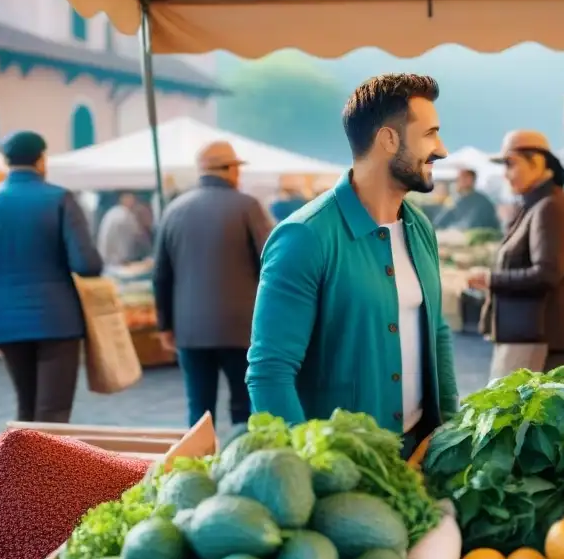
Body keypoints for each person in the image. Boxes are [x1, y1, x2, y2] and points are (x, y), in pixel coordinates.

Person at [246, 73, 459, 456]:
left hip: (420, 454)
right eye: (430, 134)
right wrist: (313, 474)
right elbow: (269, 373)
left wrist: (449, 434)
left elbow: (437, 333)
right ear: (388, 140)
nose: (441, 149)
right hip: (345, 472)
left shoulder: (420, 227)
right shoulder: (304, 238)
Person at [0, 131, 103, 422]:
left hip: (7, 318)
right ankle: (47, 469)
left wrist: (2, 293)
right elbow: (87, 263)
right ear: (42, 159)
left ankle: (24, 468)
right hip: (58, 318)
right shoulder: (60, 199)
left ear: (6, 161)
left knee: (25, 408)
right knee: (53, 411)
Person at [153, 140, 273, 429]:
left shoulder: (173, 210)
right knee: (243, 405)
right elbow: (271, 262)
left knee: (198, 409)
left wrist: (164, 326)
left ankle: (198, 463)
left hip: (190, 330)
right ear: (230, 170)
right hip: (241, 327)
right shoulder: (248, 206)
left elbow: (161, 276)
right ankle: (240, 467)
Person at [467, 130, 564, 376]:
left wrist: (491, 280)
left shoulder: (551, 206)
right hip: (529, 336)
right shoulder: (536, 204)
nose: (506, 174)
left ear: (538, 161)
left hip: (541, 338)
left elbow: (546, 274)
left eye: (511, 164)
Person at [432, 169, 501, 231]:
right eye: (459, 178)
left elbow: (473, 225)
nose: (461, 180)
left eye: (465, 177)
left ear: (472, 179)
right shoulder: (455, 200)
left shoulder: (482, 202)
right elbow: (440, 221)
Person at [97, 192, 148, 266]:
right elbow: (124, 251)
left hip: (106, 263)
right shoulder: (124, 215)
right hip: (116, 265)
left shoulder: (113, 212)